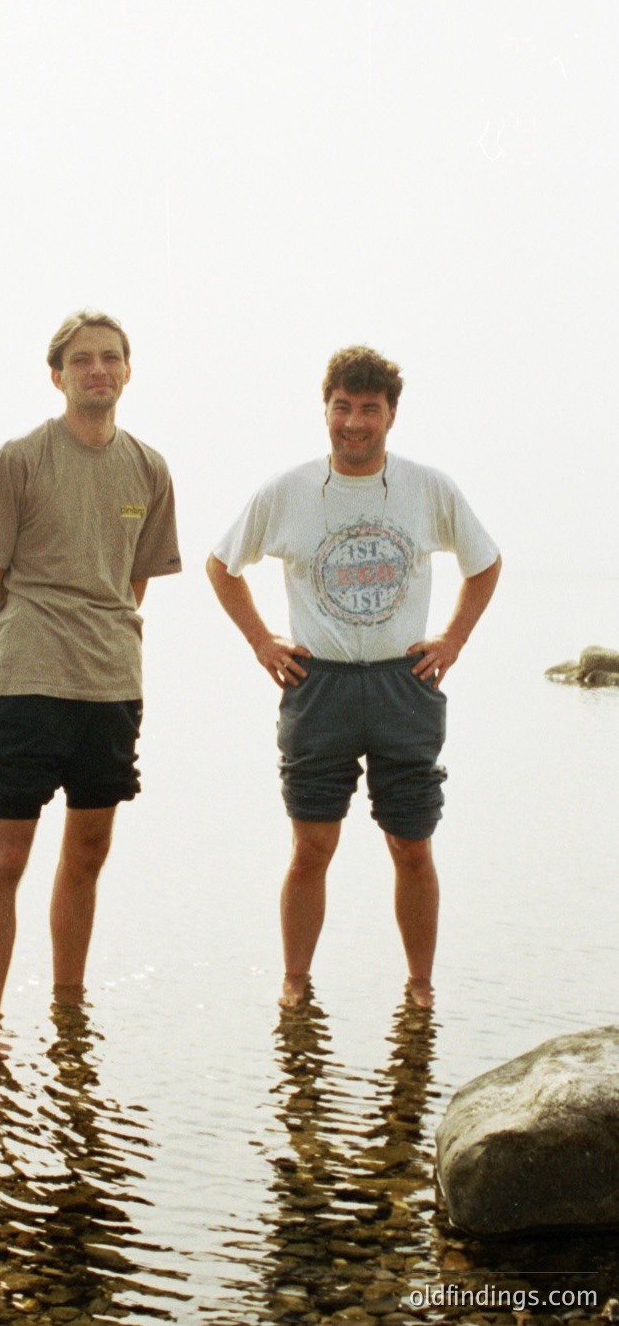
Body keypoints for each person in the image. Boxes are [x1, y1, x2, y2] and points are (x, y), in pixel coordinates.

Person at [206, 345, 500, 1009]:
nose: (354, 422)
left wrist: (452, 638)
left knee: (411, 845)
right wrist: (260, 640)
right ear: (326, 409)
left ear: (391, 414)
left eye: (369, 408)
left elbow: (484, 564)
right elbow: (222, 565)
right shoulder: (287, 490)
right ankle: (294, 982)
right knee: (311, 845)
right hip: (318, 685)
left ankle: (420, 986)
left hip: (404, 686)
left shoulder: (429, 487)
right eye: (342, 406)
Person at [0, 310, 181, 1053]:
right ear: (56, 374)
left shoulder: (149, 469)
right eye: (82, 359)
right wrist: (22, 656)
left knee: (87, 852)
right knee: (7, 855)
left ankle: (67, 1008)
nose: (98, 370)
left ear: (127, 371)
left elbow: (130, 584)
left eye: (110, 359)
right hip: (25, 684)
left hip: (111, 685)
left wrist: (98, 643)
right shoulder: (17, 461)